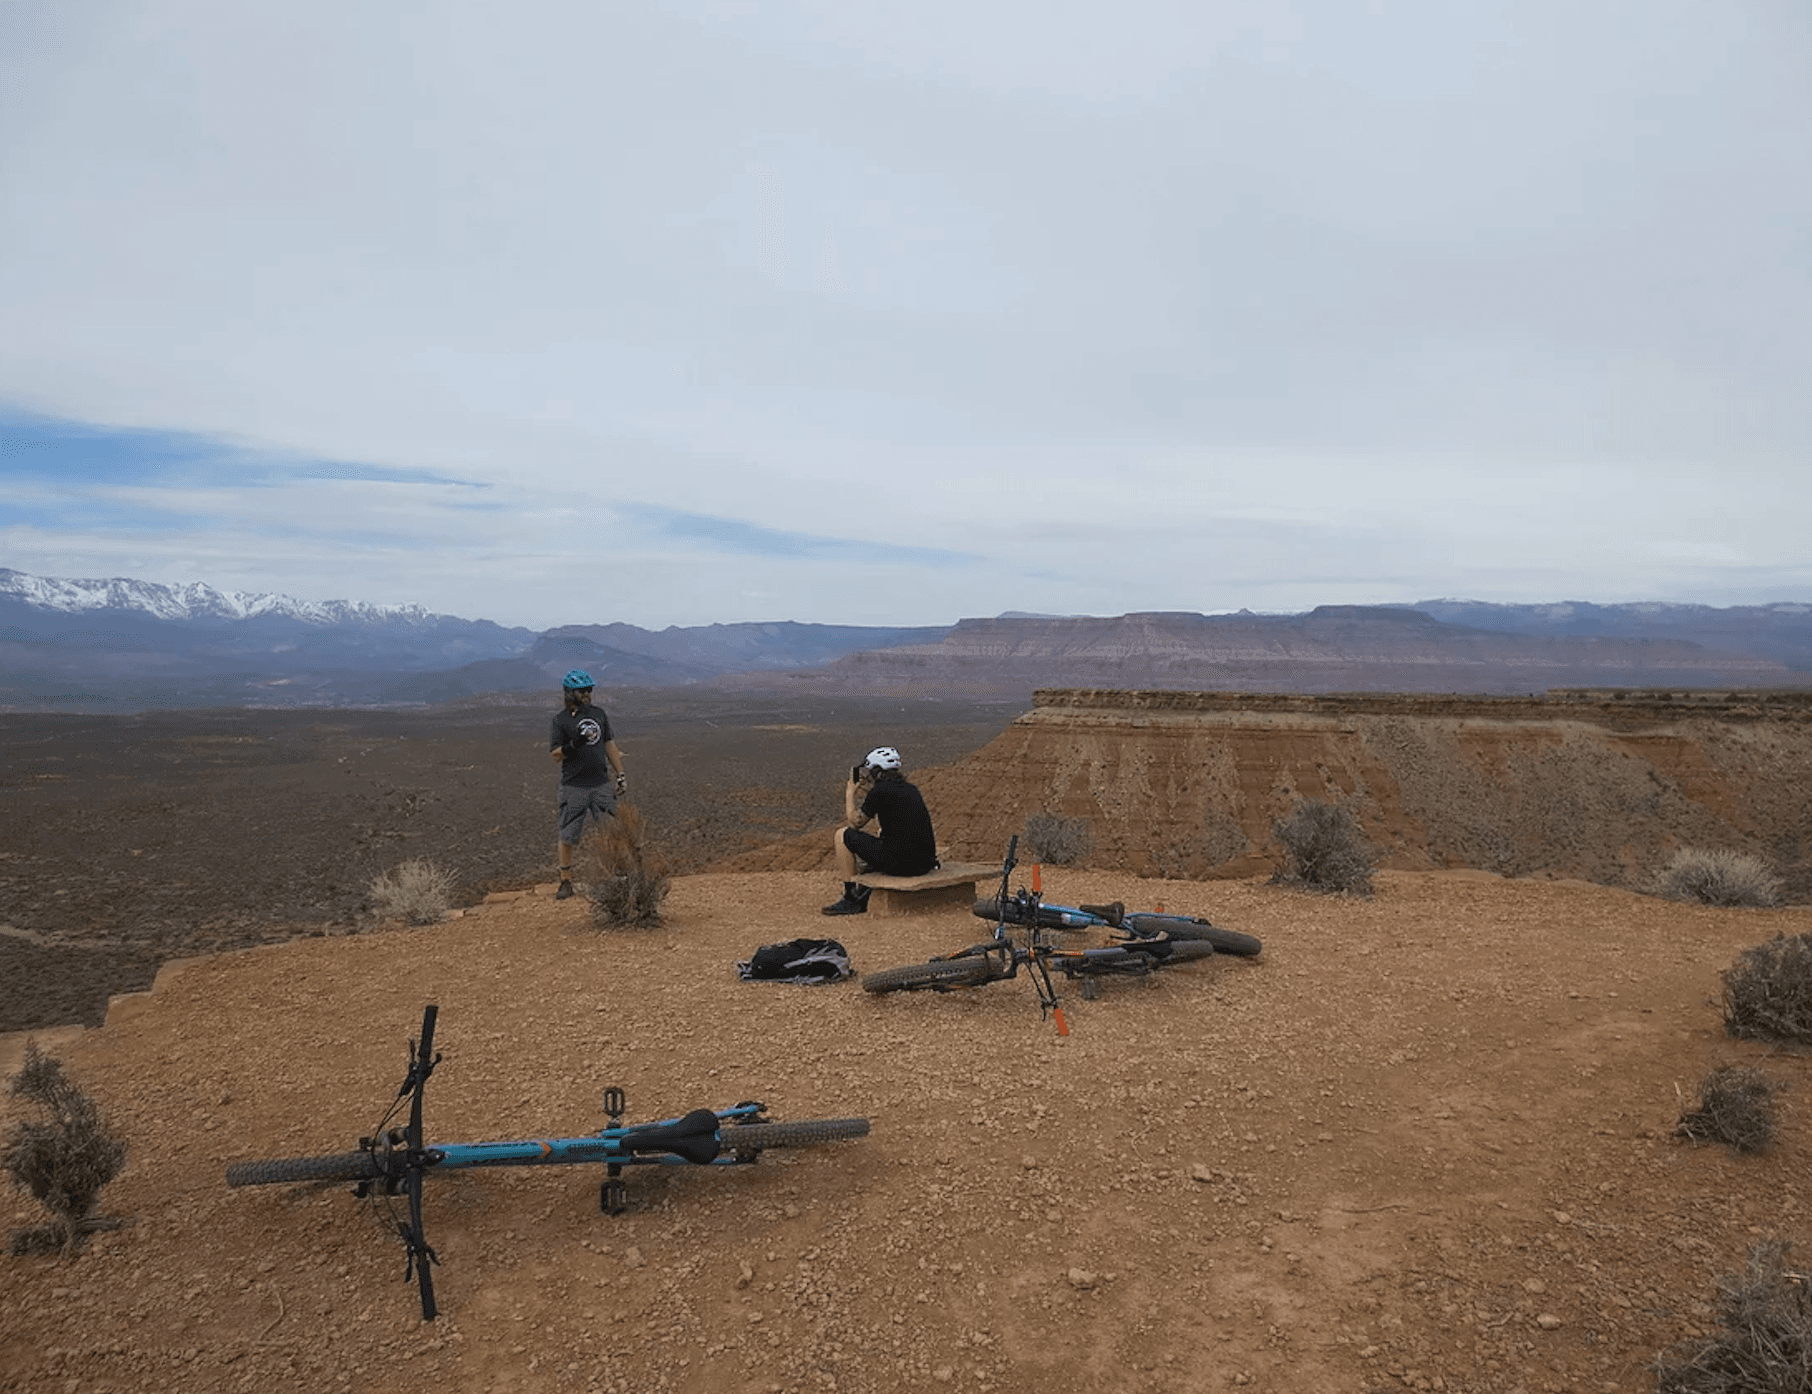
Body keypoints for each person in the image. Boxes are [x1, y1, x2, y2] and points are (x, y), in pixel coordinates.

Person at [821, 746, 938, 916]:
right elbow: (888, 801)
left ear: (876, 770)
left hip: (901, 865)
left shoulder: (880, 791)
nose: (868, 775)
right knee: (883, 833)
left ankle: (851, 898)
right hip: (924, 864)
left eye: (870, 771)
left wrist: (849, 793)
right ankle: (866, 888)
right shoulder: (911, 789)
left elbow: (855, 822)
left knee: (842, 835)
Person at [549, 669, 627, 900]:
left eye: (589, 690)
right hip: (574, 786)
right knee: (568, 835)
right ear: (570, 693)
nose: (587, 695)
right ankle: (565, 882)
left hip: (601, 784)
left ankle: (618, 875)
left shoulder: (599, 715)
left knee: (613, 831)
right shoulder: (560, 721)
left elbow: (609, 744)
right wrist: (574, 745)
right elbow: (555, 754)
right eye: (583, 691)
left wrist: (620, 773)